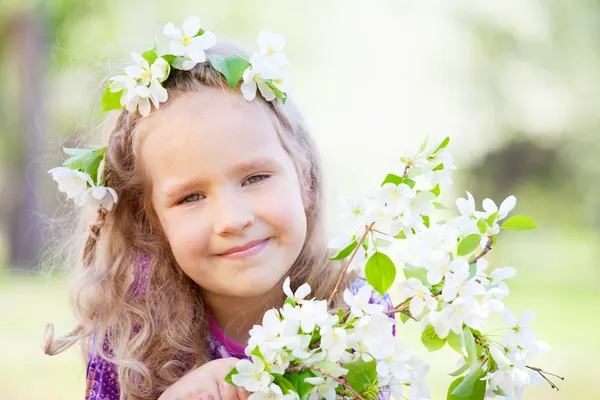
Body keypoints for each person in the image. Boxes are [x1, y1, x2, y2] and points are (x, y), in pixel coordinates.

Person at [44, 17, 393, 400]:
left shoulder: (356, 311)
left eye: (256, 178)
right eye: (191, 197)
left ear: (304, 177)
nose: (232, 219)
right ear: (153, 221)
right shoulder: (127, 338)